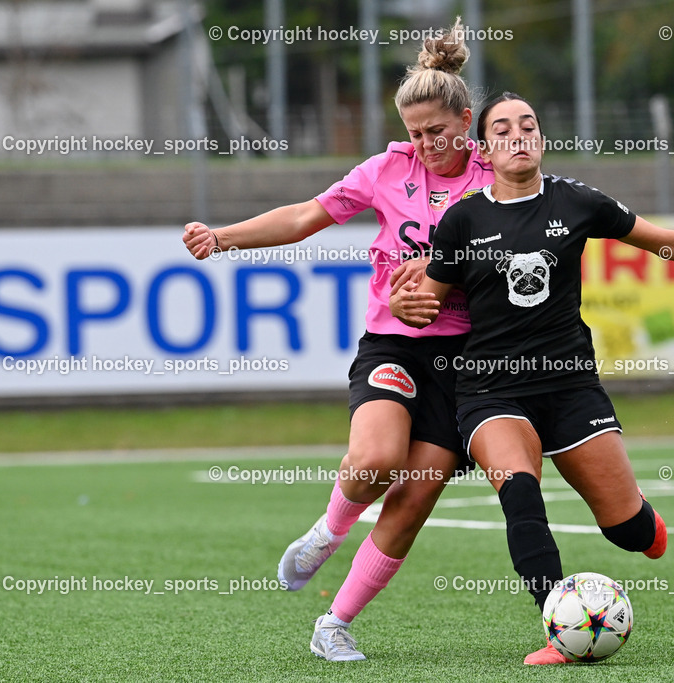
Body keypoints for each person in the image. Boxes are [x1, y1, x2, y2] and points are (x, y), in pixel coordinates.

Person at [389, 92, 674, 665]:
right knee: (520, 490)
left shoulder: (577, 202)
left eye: (529, 125)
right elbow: (430, 300)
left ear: (541, 138)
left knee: (629, 531)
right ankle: (558, 632)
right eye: (504, 129)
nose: (519, 135)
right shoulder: (463, 219)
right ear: (485, 148)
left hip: (571, 386)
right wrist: (404, 308)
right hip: (491, 390)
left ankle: (642, 520)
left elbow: (666, 242)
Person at [183, 19, 493, 661]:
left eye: (437, 131)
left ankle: (334, 624)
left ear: (467, 118)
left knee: (415, 496)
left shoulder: (495, 179)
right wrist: (224, 236)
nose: (426, 144)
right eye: (414, 133)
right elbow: (303, 217)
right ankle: (327, 532)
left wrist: (447, 284)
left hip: (464, 359)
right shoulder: (386, 169)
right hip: (394, 346)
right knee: (377, 459)